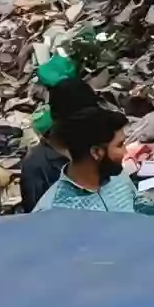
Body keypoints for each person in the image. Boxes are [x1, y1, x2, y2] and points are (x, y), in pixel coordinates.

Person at [33, 105, 154, 216]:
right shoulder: (53, 210)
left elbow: (143, 216)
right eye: (119, 145)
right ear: (96, 152)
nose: (125, 152)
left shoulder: (117, 177)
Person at [16, 78, 99, 215]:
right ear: (56, 118)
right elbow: (37, 221)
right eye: (80, 120)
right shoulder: (38, 167)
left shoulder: (91, 147)